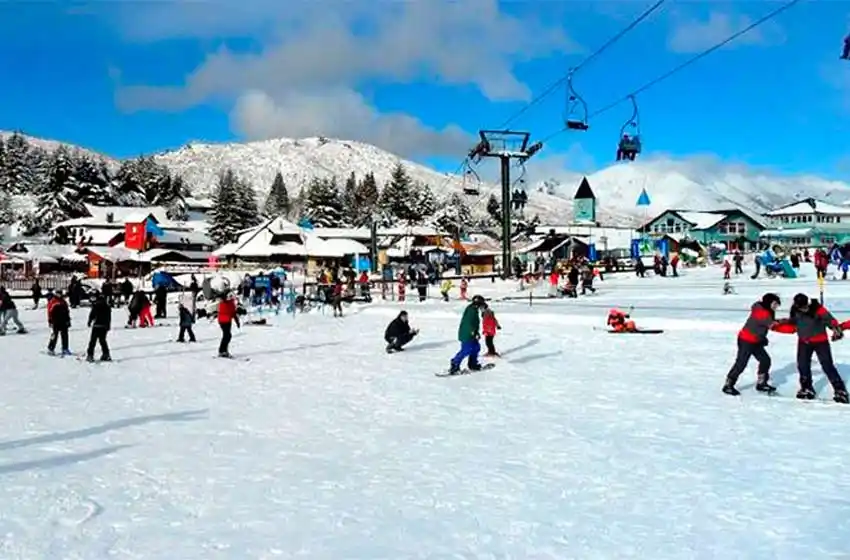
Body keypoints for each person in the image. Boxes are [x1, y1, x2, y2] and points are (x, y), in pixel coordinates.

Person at [772, 294, 848, 403]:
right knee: (803, 365)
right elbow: (793, 322)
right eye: (801, 307)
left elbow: (830, 320)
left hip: (820, 342)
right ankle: (806, 388)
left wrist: (836, 329)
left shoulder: (818, 308)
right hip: (804, 342)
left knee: (827, 365)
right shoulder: (795, 310)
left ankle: (840, 390)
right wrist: (779, 323)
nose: (804, 308)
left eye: (805, 306)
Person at [722, 293, 781, 396]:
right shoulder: (761, 312)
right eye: (775, 304)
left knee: (765, 360)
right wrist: (794, 324)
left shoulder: (767, 311)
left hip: (756, 341)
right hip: (746, 340)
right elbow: (772, 324)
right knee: (741, 363)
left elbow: (767, 324)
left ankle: (761, 383)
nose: (776, 306)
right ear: (768, 303)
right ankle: (728, 384)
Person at [448, 294, 487, 375]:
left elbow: (474, 322)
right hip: (466, 334)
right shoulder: (471, 311)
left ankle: (472, 364)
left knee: (476, 347)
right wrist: (473, 332)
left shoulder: (474, 309)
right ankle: (454, 364)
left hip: (471, 334)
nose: (481, 306)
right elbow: (468, 323)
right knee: (466, 349)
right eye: (481, 304)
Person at [86, 292, 112, 362]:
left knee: (93, 341)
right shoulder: (107, 306)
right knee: (102, 340)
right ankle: (106, 354)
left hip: (97, 325)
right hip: (104, 326)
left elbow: (92, 314)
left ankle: (90, 355)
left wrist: (89, 321)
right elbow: (109, 317)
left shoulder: (96, 305)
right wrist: (108, 325)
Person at [46, 289, 71, 356]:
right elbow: (49, 311)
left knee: (65, 335)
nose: (59, 295)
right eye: (57, 294)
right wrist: (50, 320)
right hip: (55, 321)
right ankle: (51, 348)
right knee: (54, 335)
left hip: (63, 321)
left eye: (60, 294)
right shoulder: (53, 301)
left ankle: (65, 348)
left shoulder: (63, 302)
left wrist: (68, 320)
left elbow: (67, 311)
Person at [217, 291, 240, 358]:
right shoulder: (223, 302)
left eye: (231, 297)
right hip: (222, 320)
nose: (230, 298)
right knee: (227, 335)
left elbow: (233, 313)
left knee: (228, 335)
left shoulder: (231, 303)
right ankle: (222, 351)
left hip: (228, 320)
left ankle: (224, 350)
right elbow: (222, 299)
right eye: (229, 297)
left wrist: (237, 322)